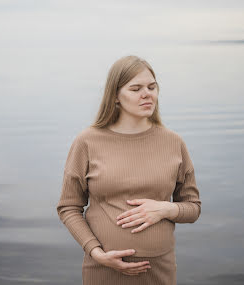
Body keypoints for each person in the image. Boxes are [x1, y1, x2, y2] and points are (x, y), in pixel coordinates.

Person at [56, 55, 201, 284]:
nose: (147, 94)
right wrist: (96, 252)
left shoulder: (174, 143)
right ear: (115, 96)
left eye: (152, 87)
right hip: (102, 270)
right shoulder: (87, 141)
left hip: (158, 270)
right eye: (136, 89)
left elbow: (193, 208)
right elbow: (69, 207)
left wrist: (166, 209)